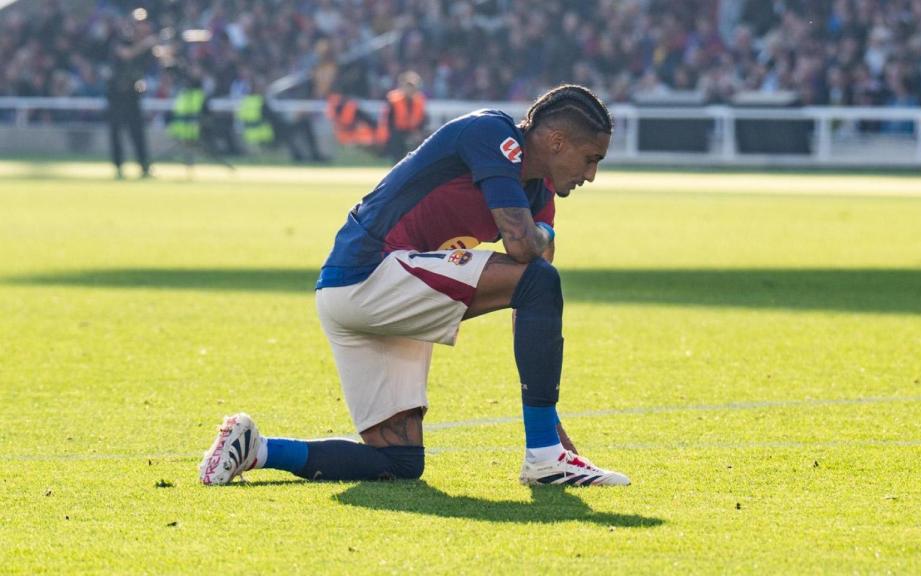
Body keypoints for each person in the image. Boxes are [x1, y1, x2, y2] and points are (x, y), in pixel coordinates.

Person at [199, 84, 630, 487]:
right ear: (556, 142)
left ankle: (255, 448)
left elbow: (533, 296)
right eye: (591, 158)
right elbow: (525, 250)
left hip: (359, 294)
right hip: (371, 272)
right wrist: (542, 239)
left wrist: (549, 422)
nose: (591, 174)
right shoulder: (492, 134)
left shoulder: (539, 193)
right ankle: (544, 458)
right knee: (537, 278)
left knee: (399, 462)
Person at [106, 16, 157, 179]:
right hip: (117, 93)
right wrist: (146, 44)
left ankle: (143, 166)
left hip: (132, 93)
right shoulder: (121, 40)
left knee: (137, 131)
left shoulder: (145, 46)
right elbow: (126, 54)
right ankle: (118, 166)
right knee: (116, 131)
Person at [377, 71, 427, 163]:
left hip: (412, 132)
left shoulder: (419, 101)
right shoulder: (393, 100)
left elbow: (423, 119)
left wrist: (418, 132)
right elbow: (388, 121)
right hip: (397, 132)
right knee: (397, 151)